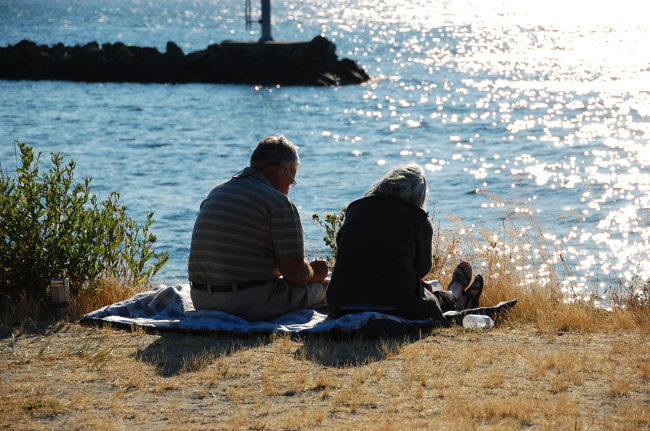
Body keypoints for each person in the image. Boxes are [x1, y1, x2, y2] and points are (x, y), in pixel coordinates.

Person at [188, 135, 329, 321]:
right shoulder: (278, 203)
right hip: (246, 304)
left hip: (201, 299)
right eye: (292, 180)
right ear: (282, 169)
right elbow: (295, 275)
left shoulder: (217, 191)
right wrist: (314, 273)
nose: (288, 189)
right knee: (332, 287)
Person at [326, 163, 483, 321]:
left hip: (342, 306)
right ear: (420, 195)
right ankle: (456, 291)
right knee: (435, 300)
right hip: (397, 308)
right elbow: (422, 268)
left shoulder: (355, 209)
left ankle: (459, 298)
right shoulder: (417, 218)